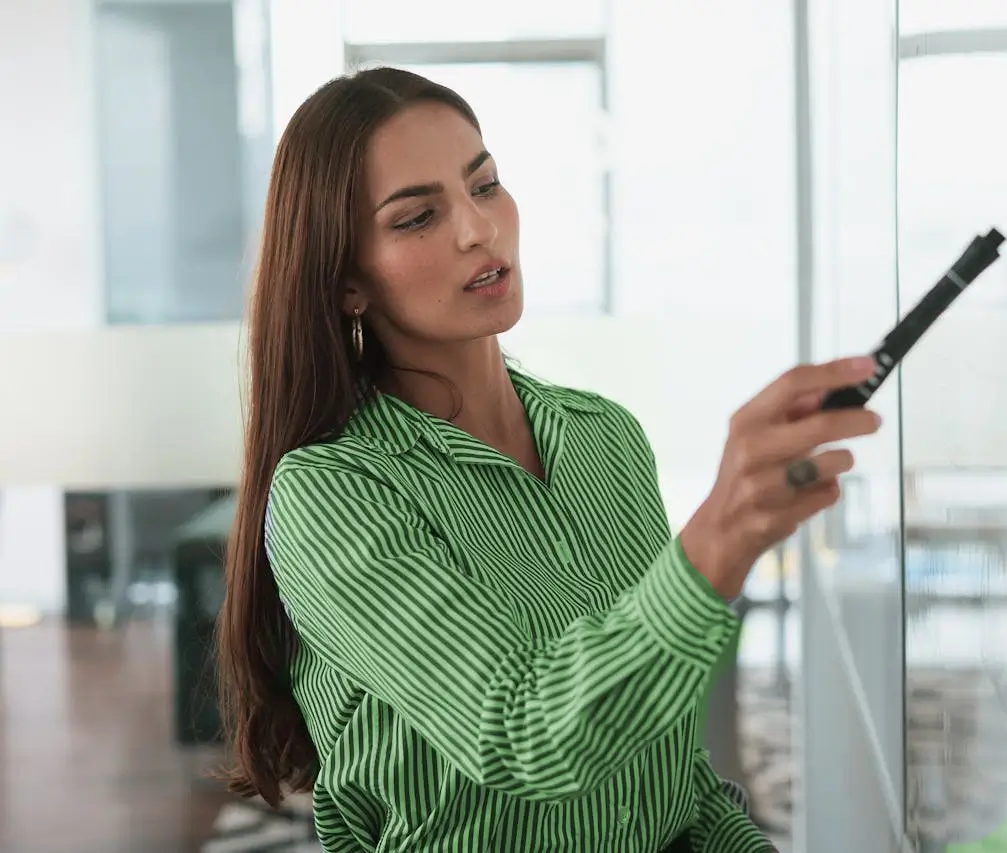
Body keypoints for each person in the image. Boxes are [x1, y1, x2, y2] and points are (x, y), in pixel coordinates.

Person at [215, 66, 882, 853]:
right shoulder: (330, 495)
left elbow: (670, 770)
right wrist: (717, 542)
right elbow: (520, 733)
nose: (478, 229)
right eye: (418, 216)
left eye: (485, 185)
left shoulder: (606, 437)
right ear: (347, 282)